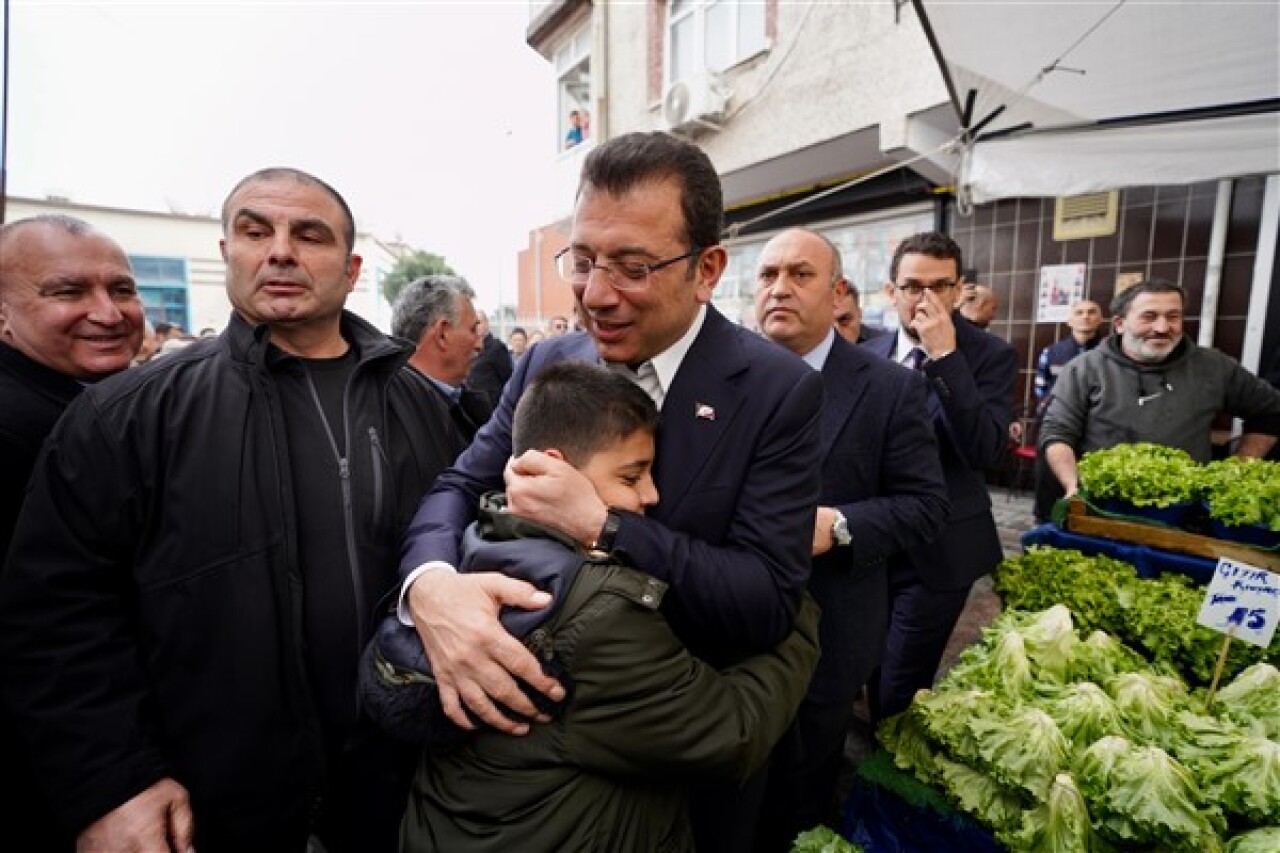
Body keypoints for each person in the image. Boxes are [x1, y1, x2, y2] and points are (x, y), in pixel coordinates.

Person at [0, 168, 463, 852]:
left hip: (406, 793)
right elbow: (57, 616)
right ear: (226, 254)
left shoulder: (423, 405)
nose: (280, 251)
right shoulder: (126, 415)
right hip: (219, 806)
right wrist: (112, 779)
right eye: (255, 231)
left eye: (309, 235)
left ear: (351, 267)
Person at [399, 131, 824, 851]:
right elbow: (457, 486)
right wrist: (431, 584)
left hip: (678, 769)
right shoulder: (545, 362)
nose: (596, 294)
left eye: (632, 267)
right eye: (584, 260)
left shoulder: (777, 393)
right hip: (525, 771)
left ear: (707, 268)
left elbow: (762, 603)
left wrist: (607, 525)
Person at [379, 361, 821, 852]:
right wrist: (796, 604)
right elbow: (734, 731)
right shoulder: (600, 613)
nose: (652, 496)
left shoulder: (478, 546)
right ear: (550, 468)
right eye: (632, 477)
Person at [751, 228, 949, 850]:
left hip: (828, 633)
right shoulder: (722, 377)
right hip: (724, 629)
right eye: (767, 275)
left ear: (837, 291)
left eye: (800, 274)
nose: (780, 288)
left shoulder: (890, 388)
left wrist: (837, 527)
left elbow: (925, 506)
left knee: (800, 792)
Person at [0, 215, 144, 852]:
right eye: (67, 292)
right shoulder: (21, 428)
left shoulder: (102, 408)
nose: (107, 313)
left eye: (122, 289)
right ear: (3, 315)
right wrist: (106, 783)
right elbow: (46, 627)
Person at [862, 232, 1017, 719]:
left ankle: (886, 783)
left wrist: (946, 358)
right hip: (870, 543)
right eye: (911, 286)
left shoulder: (989, 355)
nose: (924, 298)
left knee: (900, 684)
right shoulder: (866, 353)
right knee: (865, 667)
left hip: (941, 549)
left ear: (958, 291)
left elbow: (985, 449)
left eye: (939, 285)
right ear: (891, 292)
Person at [1041, 279, 1280, 496]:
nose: (1163, 327)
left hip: (1186, 511)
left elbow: (1270, 411)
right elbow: (1058, 432)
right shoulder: (1084, 368)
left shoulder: (1214, 366)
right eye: (1149, 316)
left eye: (1173, 316)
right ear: (1120, 323)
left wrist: (1239, 469)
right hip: (1103, 503)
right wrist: (1072, 485)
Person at [1030, 298, 1105, 520]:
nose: (1085, 316)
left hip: (1095, 434)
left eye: (1092, 312)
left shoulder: (1109, 354)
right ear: (1069, 320)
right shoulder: (1052, 353)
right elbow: (1041, 391)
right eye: (1079, 312)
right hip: (1058, 427)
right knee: (1049, 485)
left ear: (1100, 319)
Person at [392, 274, 491, 442]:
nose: (479, 345)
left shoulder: (459, 403)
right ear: (442, 334)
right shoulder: (395, 413)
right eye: (473, 330)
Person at [467, 307, 515, 409]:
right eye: (472, 324)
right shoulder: (467, 347)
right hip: (471, 406)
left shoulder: (497, 347)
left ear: (486, 323)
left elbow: (507, 379)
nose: (476, 327)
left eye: (478, 322)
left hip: (491, 407)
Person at [833, 279, 883, 344]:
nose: (837, 332)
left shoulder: (885, 345)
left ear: (860, 315)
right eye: (827, 324)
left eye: (844, 320)